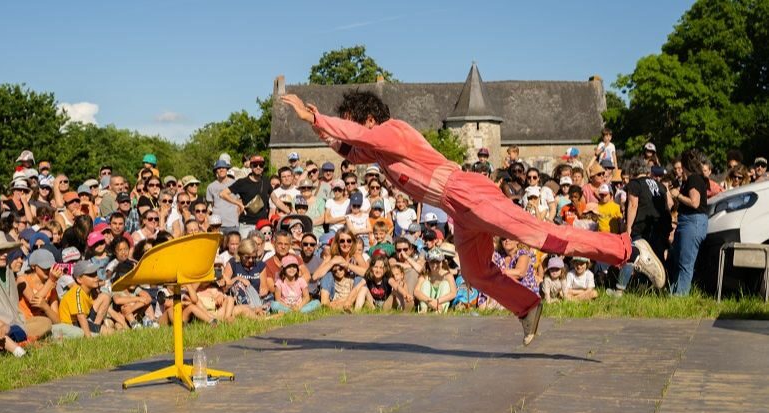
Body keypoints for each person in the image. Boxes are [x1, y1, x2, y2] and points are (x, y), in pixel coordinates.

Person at [282, 91, 664, 345]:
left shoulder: (391, 131)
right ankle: (528, 306)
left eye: (352, 122)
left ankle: (628, 250)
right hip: (457, 210)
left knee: (540, 235)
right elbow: (349, 149)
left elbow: (349, 135)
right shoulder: (379, 152)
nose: (350, 133)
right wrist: (319, 128)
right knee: (476, 272)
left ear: (367, 119)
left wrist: (312, 115)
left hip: (467, 191)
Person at [611, 158, 673, 297]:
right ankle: (660, 291)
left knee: (632, 255)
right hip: (660, 226)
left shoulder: (635, 184)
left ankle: (619, 290)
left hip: (642, 227)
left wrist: (628, 229)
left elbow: (633, 205)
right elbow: (669, 203)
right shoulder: (660, 184)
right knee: (657, 259)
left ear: (632, 172)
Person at [669, 149, 709, 296]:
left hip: (693, 223)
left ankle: (680, 297)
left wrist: (678, 195)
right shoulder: (689, 181)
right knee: (679, 260)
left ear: (685, 165)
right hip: (688, 222)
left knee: (685, 263)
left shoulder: (694, 179)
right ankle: (674, 293)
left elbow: (694, 202)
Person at [220, 155, 287, 238]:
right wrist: (238, 203)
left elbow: (275, 200)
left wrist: (289, 212)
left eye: (261, 165)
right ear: (251, 166)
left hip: (262, 224)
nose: (258, 167)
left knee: (262, 249)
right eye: (255, 165)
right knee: (246, 249)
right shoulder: (242, 182)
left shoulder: (265, 181)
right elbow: (223, 194)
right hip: (246, 224)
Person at [58, 261, 114, 337]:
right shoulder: (76, 292)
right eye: (91, 275)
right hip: (73, 326)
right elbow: (80, 317)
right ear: (79, 279)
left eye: (95, 273)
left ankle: (95, 327)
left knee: (105, 296)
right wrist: (89, 338)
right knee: (111, 332)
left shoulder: (89, 291)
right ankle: (94, 333)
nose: (96, 277)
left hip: (85, 320)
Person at [414, 248, 457, 313]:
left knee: (445, 284)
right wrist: (429, 301)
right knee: (426, 284)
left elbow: (453, 293)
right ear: (428, 262)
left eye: (437, 262)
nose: (434, 265)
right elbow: (416, 291)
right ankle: (424, 309)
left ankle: (440, 310)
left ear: (442, 262)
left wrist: (437, 301)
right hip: (428, 302)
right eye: (432, 262)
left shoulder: (447, 275)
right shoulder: (425, 274)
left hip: (441, 302)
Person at [207, 159, 239, 234]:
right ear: (216, 171)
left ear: (227, 169)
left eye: (223, 167)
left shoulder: (235, 183)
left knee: (233, 245)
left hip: (232, 224)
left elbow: (239, 201)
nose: (221, 169)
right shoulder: (211, 186)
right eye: (219, 168)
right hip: (217, 225)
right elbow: (211, 205)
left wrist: (236, 216)